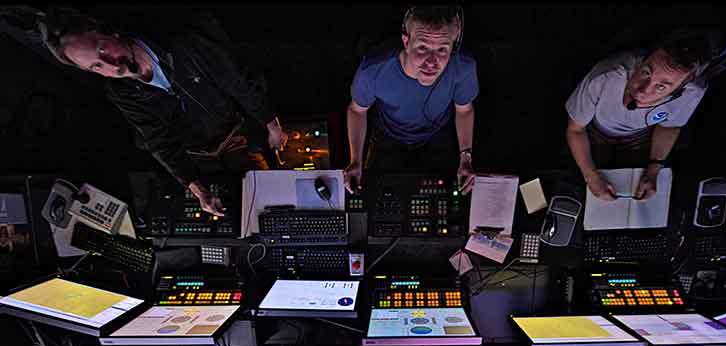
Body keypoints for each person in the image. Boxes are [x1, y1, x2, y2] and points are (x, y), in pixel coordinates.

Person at [38, 8, 287, 216]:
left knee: (267, 203)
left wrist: (272, 126)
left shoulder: (184, 42)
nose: (111, 66)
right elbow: (157, 140)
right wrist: (198, 190)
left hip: (233, 136)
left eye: (102, 49)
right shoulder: (121, 92)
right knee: (228, 218)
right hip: (194, 154)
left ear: (109, 32)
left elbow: (239, 82)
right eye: (96, 66)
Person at [565, 28, 714, 201]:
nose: (642, 92)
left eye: (661, 87)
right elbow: (575, 130)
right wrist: (590, 176)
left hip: (641, 136)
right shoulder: (606, 75)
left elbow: (669, 126)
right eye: (646, 72)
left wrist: (654, 169)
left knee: (639, 191)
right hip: (595, 132)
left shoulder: (693, 92)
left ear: (679, 92)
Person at [345, 5, 479, 194]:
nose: (432, 63)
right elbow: (357, 110)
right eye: (423, 48)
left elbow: (464, 110)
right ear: (406, 42)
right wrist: (355, 161)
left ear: (453, 47)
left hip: (438, 135)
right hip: (387, 135)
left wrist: (466, 157)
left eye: (442, 50)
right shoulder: (374, 69)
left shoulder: (463, 67)